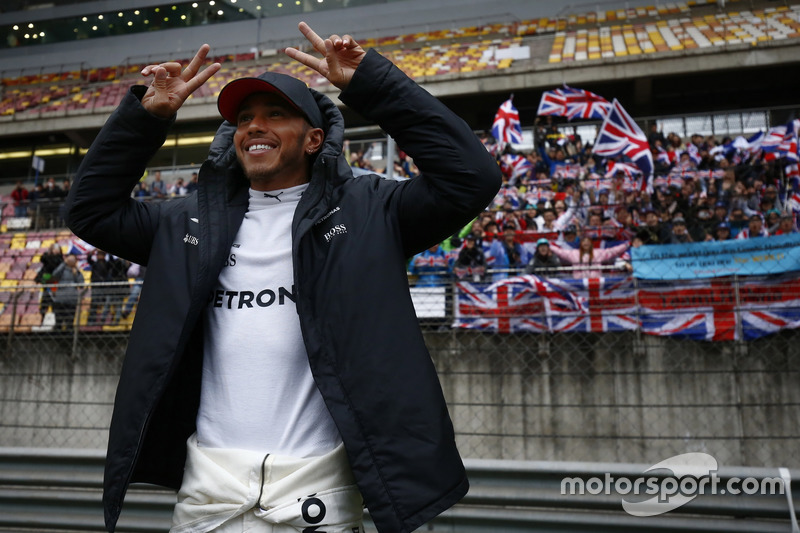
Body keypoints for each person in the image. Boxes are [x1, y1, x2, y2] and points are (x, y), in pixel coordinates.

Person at [64, 23, 501, 533]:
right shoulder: (186, 222)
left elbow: (471, 177)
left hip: (318, 495)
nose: (254, 126)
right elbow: (89, 211)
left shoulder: (369, 211)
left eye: (276, 114)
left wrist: (372, 84)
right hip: (210, 493)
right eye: (244, 118)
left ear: (315, 138)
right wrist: (145, 118)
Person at [549, 235, 629, 279]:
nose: (586, 243)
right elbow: (560, 252)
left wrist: (626, 245)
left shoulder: (598, 253)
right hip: (579, 284)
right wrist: (548, 246)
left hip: (595, 283)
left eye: (588, 242)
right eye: (584, 241)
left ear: (591, 244)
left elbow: (613, 251)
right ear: (580, 244)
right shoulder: (573, 253)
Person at [50, 253, 83, 332]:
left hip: (71, 300)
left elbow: (82, 284)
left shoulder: (76, 271)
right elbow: (54, 275)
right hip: (60, 299)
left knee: (69, 322)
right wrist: (64, 263)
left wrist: (77, 273)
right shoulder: (61, 269)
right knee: (58, 321)